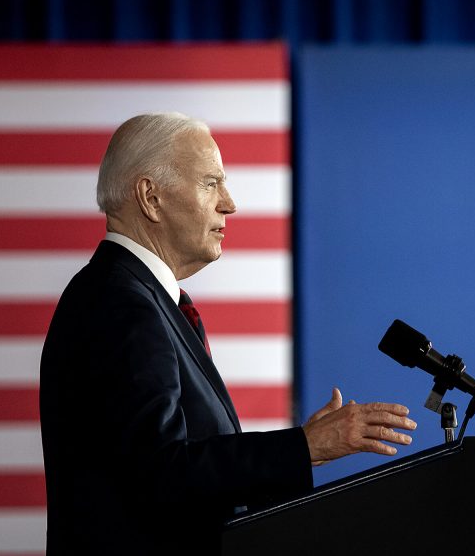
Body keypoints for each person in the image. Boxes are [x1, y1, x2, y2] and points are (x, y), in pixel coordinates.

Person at [39, 113, 417, 554]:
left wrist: (299, 452)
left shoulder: (136, 297)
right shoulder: (120, 303)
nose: (230, 203)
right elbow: (159, 474)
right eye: (210, 182)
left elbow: (184, 479)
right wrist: (302, 448)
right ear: (151, 197)